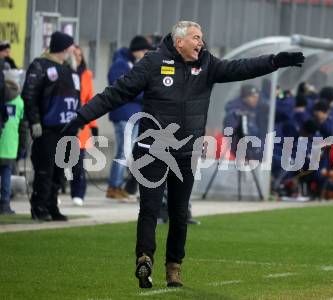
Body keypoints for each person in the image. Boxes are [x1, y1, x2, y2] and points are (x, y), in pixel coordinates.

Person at [62, 20, 305, 288]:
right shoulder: (152, 63)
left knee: (179, 213)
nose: (201, 42)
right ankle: (144, 259)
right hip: (151, 151)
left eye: (201, 38)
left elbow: (240, 68)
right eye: (195, 37)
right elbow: (116, 94)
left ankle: (174, 269)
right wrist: (81, 117)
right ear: (179, 42)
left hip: (186, 154)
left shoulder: (208, 64)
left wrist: (275, 61)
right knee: (149, 209)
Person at [21, 31, 78, 221]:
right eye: (70, 46)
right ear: (63, 47)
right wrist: (34, 121)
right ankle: (39, 207)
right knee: (45, 169)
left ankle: (52, 206)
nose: (73, 49)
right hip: (47, 128)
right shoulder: (40, 65)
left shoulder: (70, 69)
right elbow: (29, 95)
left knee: (60, 170)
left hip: (66, 129)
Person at [106, 35, 153, 201]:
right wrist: (144, 92)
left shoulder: (130, 64)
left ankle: (118, 186)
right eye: (144, 51)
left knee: (127, 151)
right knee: (123, 151)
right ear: (138, 50)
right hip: (124, 114)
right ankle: (114, 186)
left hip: (132, 115)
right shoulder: (121, 64)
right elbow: (123, 87)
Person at [70, 45, 98, 207]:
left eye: (80, 55)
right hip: (64, 121)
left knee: (79, 162)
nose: (78, 58)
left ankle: (78, 192)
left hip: (82, 123)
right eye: (75, 55)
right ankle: (56, 191)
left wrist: (93, 124)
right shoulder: (64, 72)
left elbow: (90, 101)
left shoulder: (86, 75)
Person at [0, 79, 24, 214]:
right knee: (6, 175)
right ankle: (4, 204)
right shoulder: (19, 102)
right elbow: (23, 128)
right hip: (10, 145)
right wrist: (23, 147)